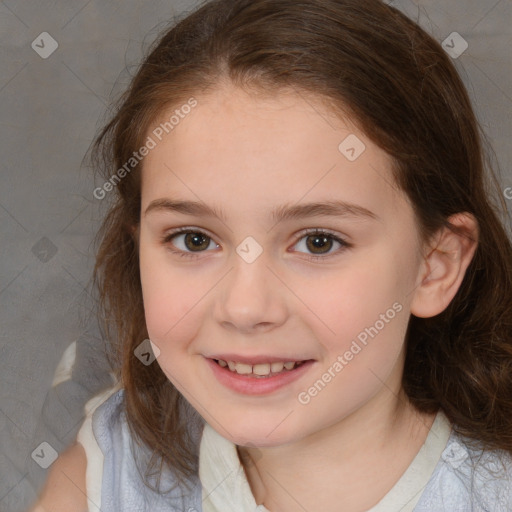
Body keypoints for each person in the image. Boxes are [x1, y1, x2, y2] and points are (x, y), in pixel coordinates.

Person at [30, 0, 512, 510]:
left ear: (434, 267)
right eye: (194, 240)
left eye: (318, 242)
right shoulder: (101, 478)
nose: (245, 308)